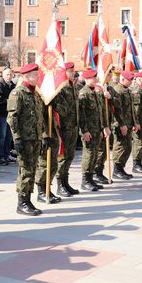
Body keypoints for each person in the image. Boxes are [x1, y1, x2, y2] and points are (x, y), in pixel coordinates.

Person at [7, 63, 47, 215]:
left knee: (32, 169)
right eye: (35, 75)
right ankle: (22, 202)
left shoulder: (35, 93)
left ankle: (28, 200)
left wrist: (43, 136)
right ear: (26, 76)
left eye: (37, 74)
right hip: (24, 139)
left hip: (35, 138)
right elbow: (12, 118)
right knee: (25, 171)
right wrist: (16, 139)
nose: (38, 77)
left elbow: (39, 117)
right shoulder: (18, 93)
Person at [78, 69, 110, 190]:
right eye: (93, 78)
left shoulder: (95, 93)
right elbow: (81, 114)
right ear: (86, 79)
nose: (96, 79)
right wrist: (84, 131)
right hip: (89, 130)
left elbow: (100, 112)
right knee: (89, 154)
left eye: (96, 77)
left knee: (95, 154)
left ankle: (91, 178)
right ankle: (85, 180)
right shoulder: (83, 93)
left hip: (97, 129)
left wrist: (103, 128)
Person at [56, 62, 81, 197]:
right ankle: (60, 184)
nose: (73, 73)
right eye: (70, 71)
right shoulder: (61, 88)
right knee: (63, 157)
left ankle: (66, 182)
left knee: (70, 156)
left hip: (73, 127)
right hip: (64, 127)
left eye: (73, 71)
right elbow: (59, 108)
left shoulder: (74, 87)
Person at [112, 70, 137, 179]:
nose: (131, 82)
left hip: (128, 123)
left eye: (132, 79)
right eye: (129, 80)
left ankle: (121, 168)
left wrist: (135, 122)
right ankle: (117, 169)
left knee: (128, 147)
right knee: (120, 147)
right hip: (121, 125)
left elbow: (131, 109)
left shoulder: (127, 90)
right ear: (122, 79)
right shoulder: (118, 91)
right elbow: (117, 110)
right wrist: (121, 125)